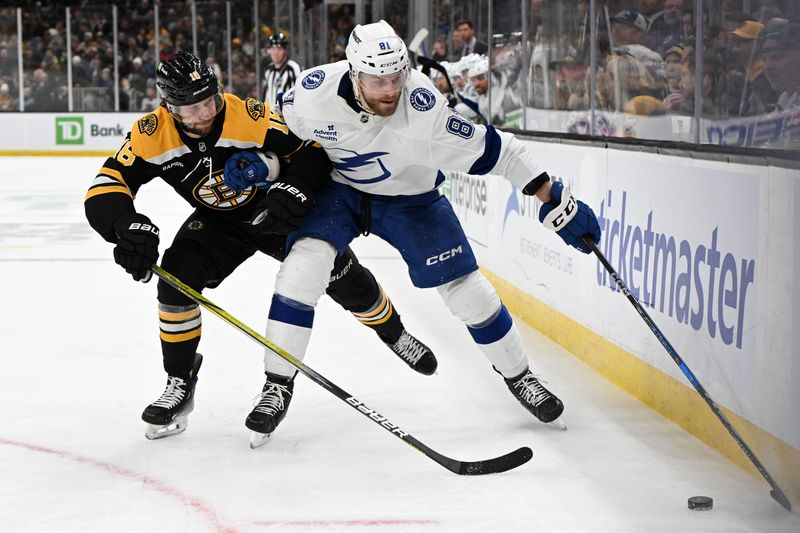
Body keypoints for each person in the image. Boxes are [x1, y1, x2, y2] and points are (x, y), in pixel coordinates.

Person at [226, 20, 601, 443]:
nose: (390, 89)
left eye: (396, 76)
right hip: (341, 193)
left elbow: (500, 150)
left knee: (468, 291)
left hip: (412, 200)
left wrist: (553, 196)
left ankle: (520, 376)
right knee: (300, 270)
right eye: (377, 79)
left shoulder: (424, 109)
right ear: (353, 73)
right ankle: (277, 385)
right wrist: (267, 166)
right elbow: (288, 146)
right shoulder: (311, 95)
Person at [84, 51, 437, 444]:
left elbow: (312, 152)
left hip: (274, 212)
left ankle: (393, 332)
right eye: (192, 107)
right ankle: (181, 383)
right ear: (169, 106)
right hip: (217, 222)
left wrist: (296, 188)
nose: (205, 114)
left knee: (339, 273)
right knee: (175, 283)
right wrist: (124, 226)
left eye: (209, 101)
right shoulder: (151, 133)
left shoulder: (246, 115)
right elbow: (108, 184)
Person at [263, 32, 302, 108]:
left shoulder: (294, 68)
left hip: (288, 116)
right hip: (271, 116)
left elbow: (300, 94)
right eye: (273, 48)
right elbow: (266, 95)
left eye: (279, 49)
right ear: (269, 50)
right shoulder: (268, 70)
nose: (275, 52)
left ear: (285, 50)